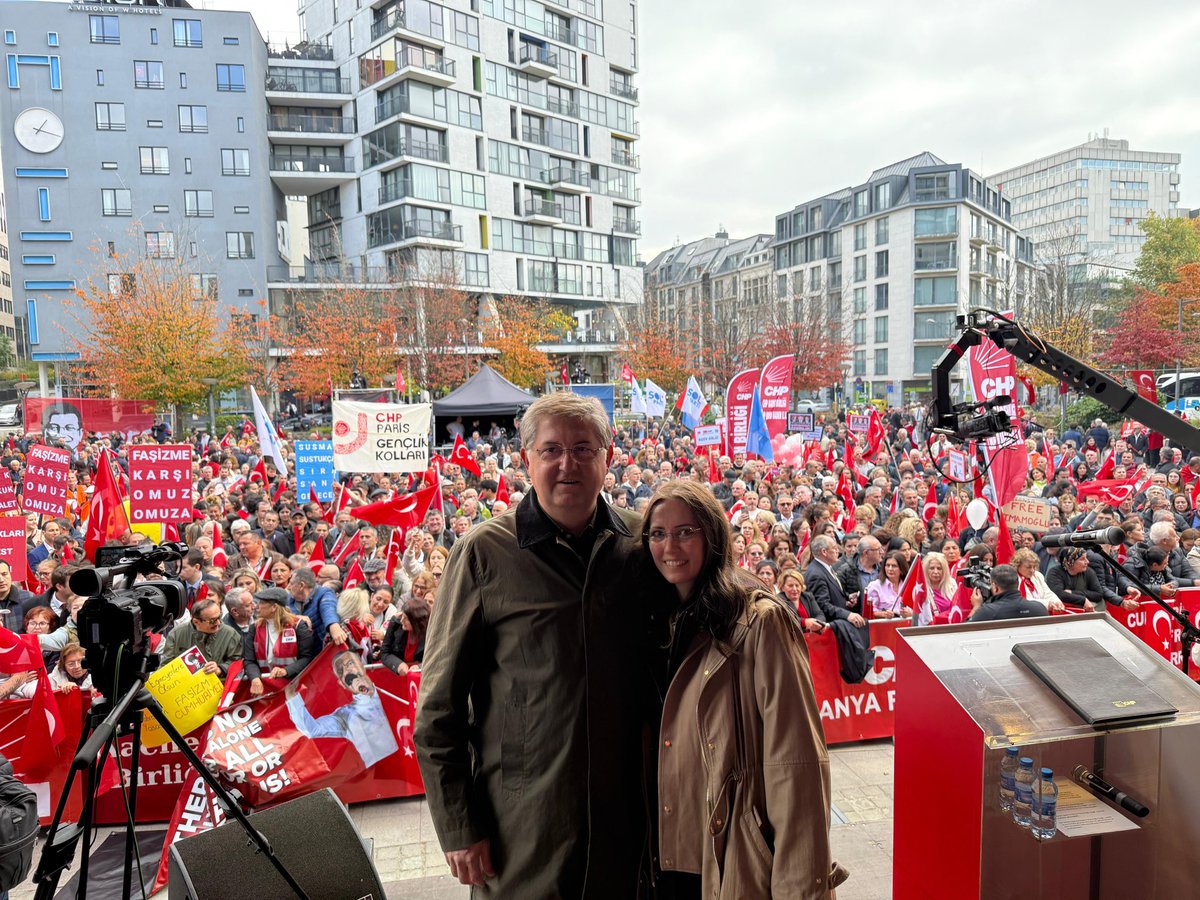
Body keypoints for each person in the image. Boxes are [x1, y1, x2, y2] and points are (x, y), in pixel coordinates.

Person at [415, 392, 648, 896]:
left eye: (584, 449)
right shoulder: (483, 553)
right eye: (552, 450)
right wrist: (459, 826)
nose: (569, 463)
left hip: (631, 823)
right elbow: (437, 712)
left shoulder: (641, 544)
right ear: (526, 460)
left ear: (608, 457)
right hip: (522, 829)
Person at [643, 480, 844, 898]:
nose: (670, 547)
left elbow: (796, 763)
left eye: (685, 532)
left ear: (712, 536)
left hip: (731, 856)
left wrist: (801, 886)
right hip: (663, 861)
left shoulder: (760, 622)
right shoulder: (648, 622)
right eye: (658, 533)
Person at [285, 650, 398, 768]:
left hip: (407, 762)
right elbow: (312, 730)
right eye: (341, 671)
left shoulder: (390, 688)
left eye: (350, 663)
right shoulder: (344, 716)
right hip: (379, 775)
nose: (347, 671)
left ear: (361, 664)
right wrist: (291, 695)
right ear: (342, 683)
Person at [243, 587, 315, 695]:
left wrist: (286, 671)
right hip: (265, 687)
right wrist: (255, 678)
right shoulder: (255, 628)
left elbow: (307, 658)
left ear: (274, 607)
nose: (256, 607)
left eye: (261, 603)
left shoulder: (298, 626)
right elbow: (249, 660)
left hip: (293, 686)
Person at [161, 598, 243, 677]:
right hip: (186, 685)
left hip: (220, 685)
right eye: (212, 620)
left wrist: (221, 669)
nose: (218, 623)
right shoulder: (176, 634)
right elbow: (165, 666)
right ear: (196, 622)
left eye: (219, 617)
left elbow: (237, 661)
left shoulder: (230, 634)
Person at [968, 565, 1048, 622]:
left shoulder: (987, 612)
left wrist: (976, 607)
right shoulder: (1040, 609)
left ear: (995, 587)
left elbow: (964, 633)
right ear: (1017, 584)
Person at [380, 595, 430, 675]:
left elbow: (435, 657)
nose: (402, 620)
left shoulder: (430, 631)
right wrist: (398, 664)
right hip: (396, 674)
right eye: (402, 615)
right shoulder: (396, 623)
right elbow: (385, 652)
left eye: (406, 618)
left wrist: (420, 667)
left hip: (420, 676)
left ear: (417, 621)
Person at [867, 550, 911, 619]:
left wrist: (911, 613)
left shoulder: (909, 585)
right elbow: (869, 611)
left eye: (894, 566)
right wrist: (884, 614)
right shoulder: (875, 586)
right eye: (887, 565)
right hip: (884, 626)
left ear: (901, 569)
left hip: (906, 626)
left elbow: (919, 608)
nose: (890, 569)